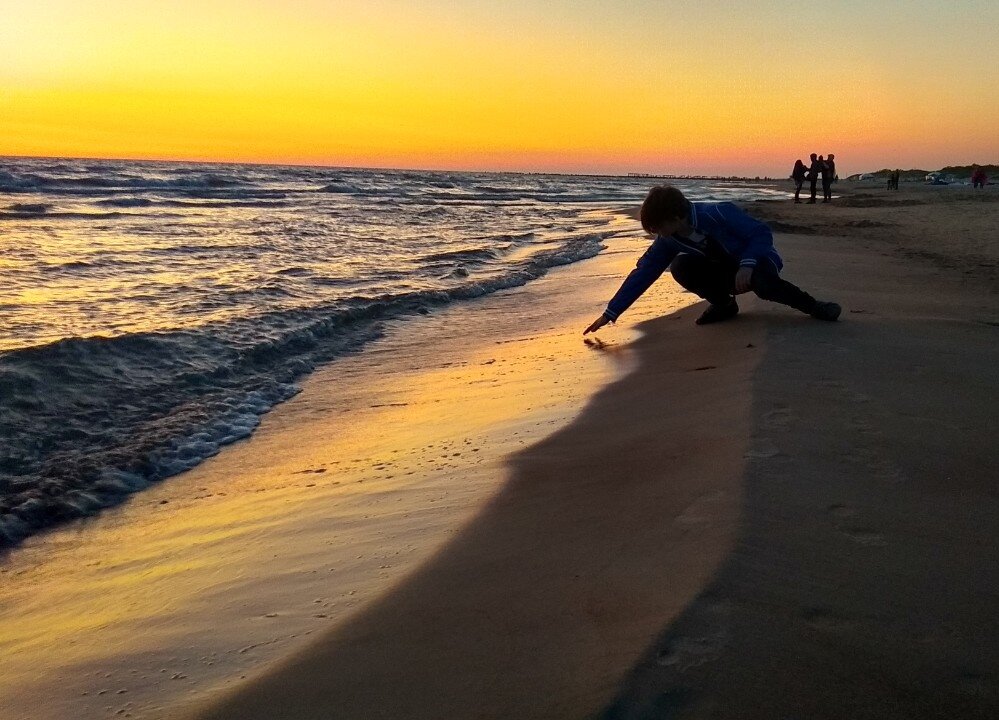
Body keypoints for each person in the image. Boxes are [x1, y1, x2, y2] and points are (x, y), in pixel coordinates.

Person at [583, 185, 842, 333]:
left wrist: (748, 263)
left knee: (764, 286)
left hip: (759, 261)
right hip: (724, 272)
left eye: (659, 227)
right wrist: (611, 312)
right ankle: (724, 305)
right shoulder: (669, 240)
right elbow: (644, 272)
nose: (657, 234)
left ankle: (813, 306)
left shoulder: (718, 212)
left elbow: (761, 234)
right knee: (680, 266)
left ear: (676, 217)